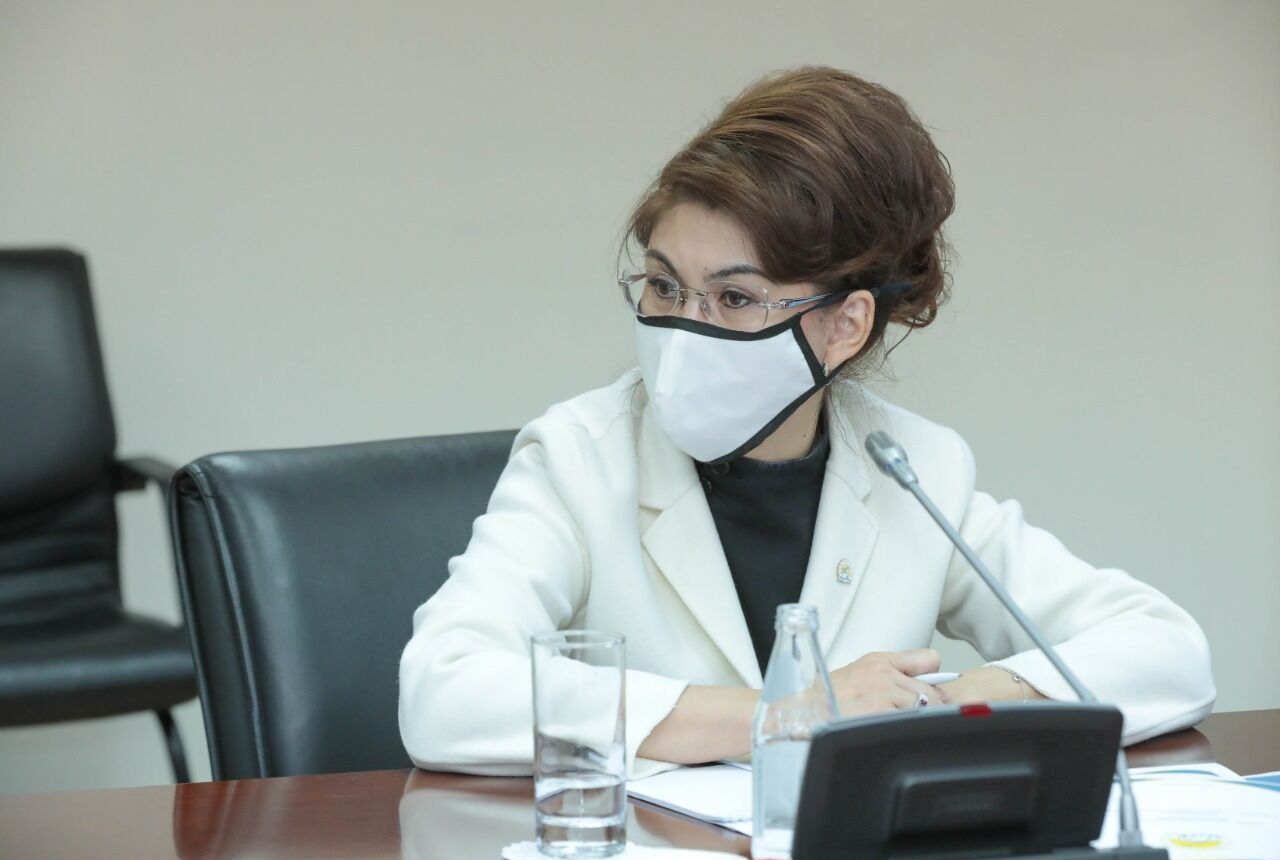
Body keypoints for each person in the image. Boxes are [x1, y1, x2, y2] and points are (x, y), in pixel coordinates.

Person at [398, 66, 1215, 779]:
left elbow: (1166, 650)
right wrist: (786, 713)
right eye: (664, 286)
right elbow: (443, 691)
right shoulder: (579, 457)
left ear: (844, 326)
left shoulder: (915, 469)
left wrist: (951, 702)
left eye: (734, 298)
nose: (682, 329)